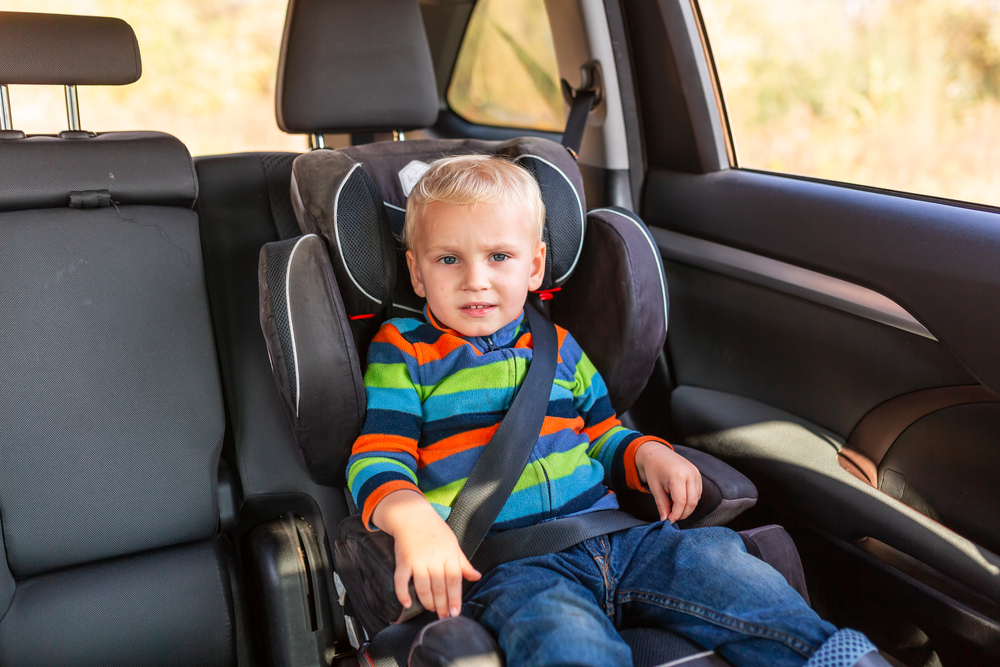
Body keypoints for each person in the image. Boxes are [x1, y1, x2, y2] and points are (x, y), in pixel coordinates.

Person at [346, 154, 883, 667]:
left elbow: (602, 434)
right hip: (514, 566)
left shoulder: (558, 345)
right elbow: (377, 458)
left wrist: (646, 451)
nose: (476, 279)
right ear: (416, 275)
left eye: (499, 257)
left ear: (534, 265)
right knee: (565, 638)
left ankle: (836, 658)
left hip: (625, 538)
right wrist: (412, 518)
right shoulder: (405, 351)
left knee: (725, 571)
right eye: (448, 260)